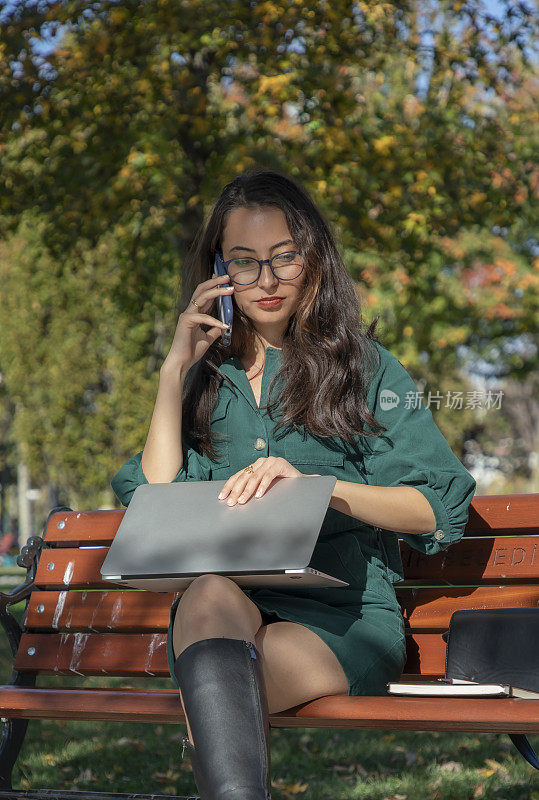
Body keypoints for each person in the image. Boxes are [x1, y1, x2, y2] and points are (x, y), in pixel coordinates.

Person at [110, 168, 476, 799]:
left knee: (220, 693)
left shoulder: (363, 367)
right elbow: (157, 495)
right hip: (227, 607)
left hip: (343, 618)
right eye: (244, 263)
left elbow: (434, 506)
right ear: (218, 271)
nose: (267, 280)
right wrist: (174, 371)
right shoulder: (205, 381)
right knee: (206, 597)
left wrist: (321, 487)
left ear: (313, 259)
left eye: (284, 257)